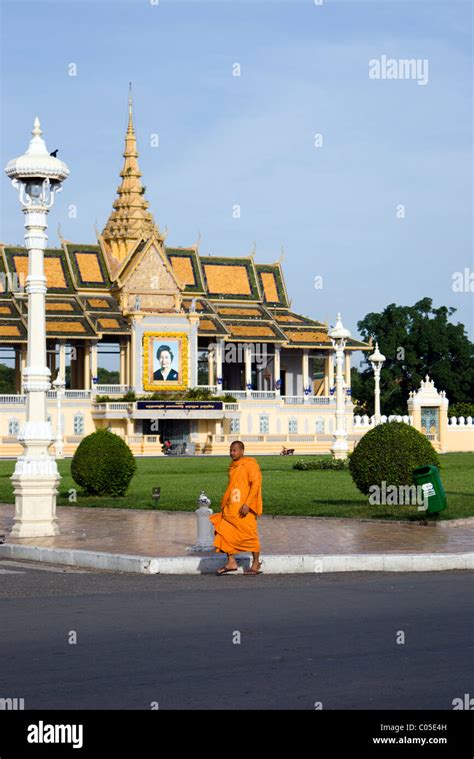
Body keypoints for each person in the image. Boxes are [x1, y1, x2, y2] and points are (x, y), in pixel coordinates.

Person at [210, 440, 263, 576]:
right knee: (222, 530)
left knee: (250, 534)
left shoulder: (250, 465)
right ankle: (231, 561)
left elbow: (255, 485)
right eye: (231, 450)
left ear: (242, 451)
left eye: (235, 450)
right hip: (231, 506)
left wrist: (248, 504)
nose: (232, 453)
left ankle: (256, 563)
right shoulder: (233, 466)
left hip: (244, 507)